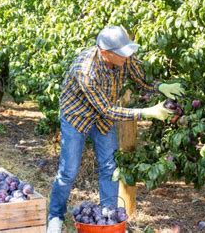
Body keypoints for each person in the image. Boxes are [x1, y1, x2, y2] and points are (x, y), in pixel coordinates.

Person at [46, 26, 184, 233]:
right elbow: (107, 110)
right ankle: (55, 216)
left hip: (102, 117)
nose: (127, 57)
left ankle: (108, 216)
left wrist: (160, 86)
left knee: (109, 167)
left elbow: (141, 78)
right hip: (77, 117)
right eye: (122, 54)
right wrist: (147, 112)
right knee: (68, 171)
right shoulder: (85, 69)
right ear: (105, 53)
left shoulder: (122, 56)